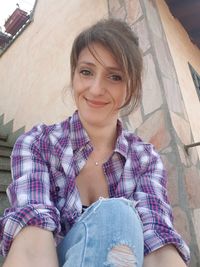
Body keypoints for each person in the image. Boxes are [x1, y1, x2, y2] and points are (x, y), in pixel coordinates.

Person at [0, 18, 190, 267]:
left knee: (117, 216)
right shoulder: (37, 144)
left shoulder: (146, 160)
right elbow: (31, 243)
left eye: (114, 76)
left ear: (131, 89)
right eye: (86, 72)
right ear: (74, 76)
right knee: (117, 216)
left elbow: (159, 247)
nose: (96, 88)